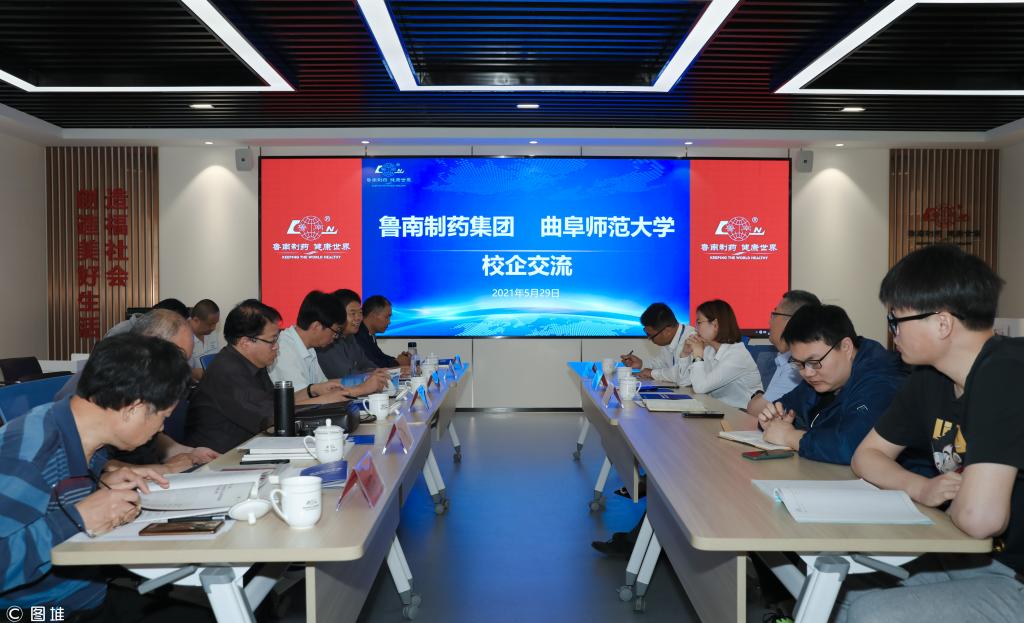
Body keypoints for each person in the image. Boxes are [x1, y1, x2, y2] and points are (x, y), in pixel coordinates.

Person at [835, 245, 1024, 622]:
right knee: (842, 594)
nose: (892, 334)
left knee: (871, 614)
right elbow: (866, 456)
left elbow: (980, 519)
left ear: (942, 323)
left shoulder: (1007, 371)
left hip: (1013, 573)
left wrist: (961, 501)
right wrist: (921, 488)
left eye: (896, 321)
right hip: (967, 554)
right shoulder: (929, 377)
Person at [0, 334, 201, 616]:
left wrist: (98, 487)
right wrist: (79, 517)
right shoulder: (30, 453)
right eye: (162, 418)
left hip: (89, 594)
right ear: (134, 408)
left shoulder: (83, 437)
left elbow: (49, 504)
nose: (160, 429)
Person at [53, 309, 218, 474]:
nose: (179, 367)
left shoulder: (144, 388)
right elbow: (90, 462)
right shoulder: (100, 387)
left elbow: (147, 433)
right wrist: (162, 470)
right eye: (177, 356)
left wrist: (188, 452)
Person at [757, 304, 907, 465]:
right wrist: (773, 420)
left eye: (814, 362)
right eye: (798, 364)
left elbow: (854, 447)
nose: (807, 372)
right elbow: (786, 405)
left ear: (846, 347)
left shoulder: (882, 381)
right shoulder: (822, 378)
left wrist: (790, 437)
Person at [186, 299, 285, 453]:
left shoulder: (253, 364)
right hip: (216, 459)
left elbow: (275, 405)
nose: (276, 346)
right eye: (272, 341)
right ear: (245, 342)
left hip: (243, 450)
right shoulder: (228, 372)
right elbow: (272, 418)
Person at [269, 290, 382, 405]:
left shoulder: (308, 347)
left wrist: (365, 379)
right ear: (316, 326)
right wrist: (362, 389)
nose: (335, 337)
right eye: (336, 331)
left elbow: (323, 387)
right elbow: (299, 402)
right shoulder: (284, 350)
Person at [747, 290, 821, 415]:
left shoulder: (796, 367)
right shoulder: (785, 358)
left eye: (774, 315)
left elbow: (756, 410)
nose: (769, 322)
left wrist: (758, 395)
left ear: (790, 321)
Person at [686, 299, 763, 408]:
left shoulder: (737, 355)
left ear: (715, 325)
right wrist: (684, 354)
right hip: (720, 408)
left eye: (699, 323)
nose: (695, 328)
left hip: (742, 413)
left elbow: (700, 388)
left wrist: (698, 356)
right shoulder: (709, 350)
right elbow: (685, 382)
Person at [315, 289, 390, 395]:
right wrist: (370, 375)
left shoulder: (350, 337)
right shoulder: (328, 340)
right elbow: (345, 375)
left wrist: (376, 372)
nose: (358, 318)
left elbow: (366, 363)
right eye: (353, 313)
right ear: (338, 314)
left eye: (360, 313)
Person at [620, 303, 697, 385]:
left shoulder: (692, 339)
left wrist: (652, 373)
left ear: (667, 331)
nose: (649, 339)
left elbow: (684, 375)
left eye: (651, 336)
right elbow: (660, 364)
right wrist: (641, 364)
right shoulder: (669, 340)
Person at [355, 294, 411, 368]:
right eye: (387, 317)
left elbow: (380, 356)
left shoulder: (369, 334)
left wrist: (398, 360)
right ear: (373, 315)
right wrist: (398, 362)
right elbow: (372, 365)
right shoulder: (358, 335)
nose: (389, 322)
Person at [104, 298, 189, 337]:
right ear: (157, 313)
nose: (174, 328)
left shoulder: (165, 334)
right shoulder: (120, 332)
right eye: (173, 323)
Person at [188, 298, 221, 381]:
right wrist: (193, 373)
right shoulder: (181, 336)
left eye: (215, 323)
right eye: (210, 324)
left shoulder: (211, 332)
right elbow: (175, 370)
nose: (213, 328)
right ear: (196, 320)